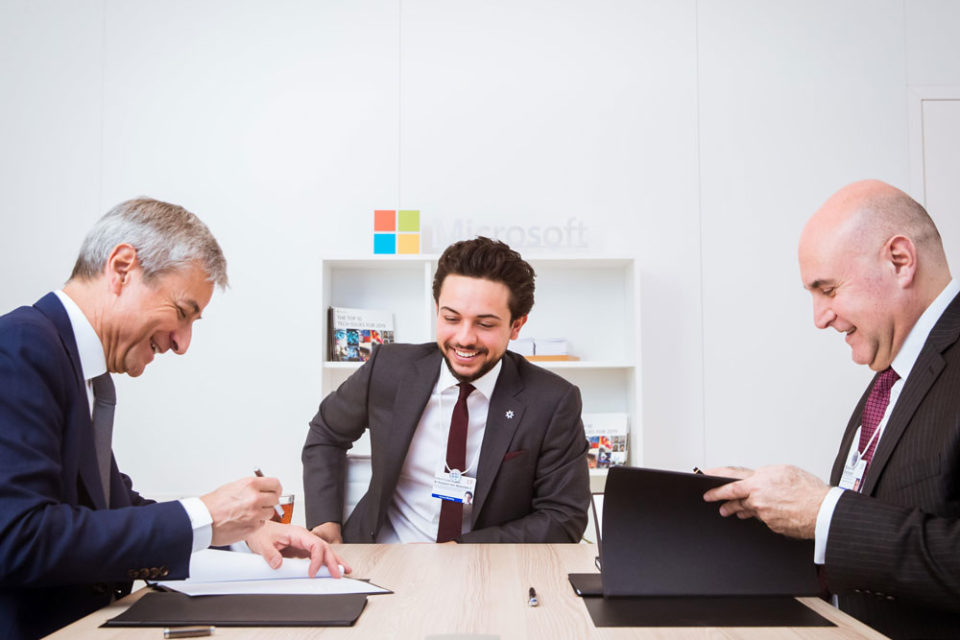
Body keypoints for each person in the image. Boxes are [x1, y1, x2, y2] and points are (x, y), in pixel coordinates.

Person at [0, 199, 348, 640]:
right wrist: (204, 514)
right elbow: (18, 537)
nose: (182, 343)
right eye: (182, 313)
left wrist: (240, 532)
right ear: (122, 268)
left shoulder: (76, 370)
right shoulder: (20, 348)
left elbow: (115, 510)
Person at [703, 180, 960, 639]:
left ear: (900, 261)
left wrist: (824, 511)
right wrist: (776, 505)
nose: (819, 318)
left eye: (828, 289)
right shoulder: (892, 376)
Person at [303, 237, 590, 543]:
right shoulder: (388, 368)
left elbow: (563, 517)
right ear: (437, 310)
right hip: (380, 556)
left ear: (516, 325)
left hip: (484, 568)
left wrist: (461, 551)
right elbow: (327, 434)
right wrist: (326, 522)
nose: (464, 338)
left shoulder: (552, 401)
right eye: (451, 318)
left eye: (485, 324)